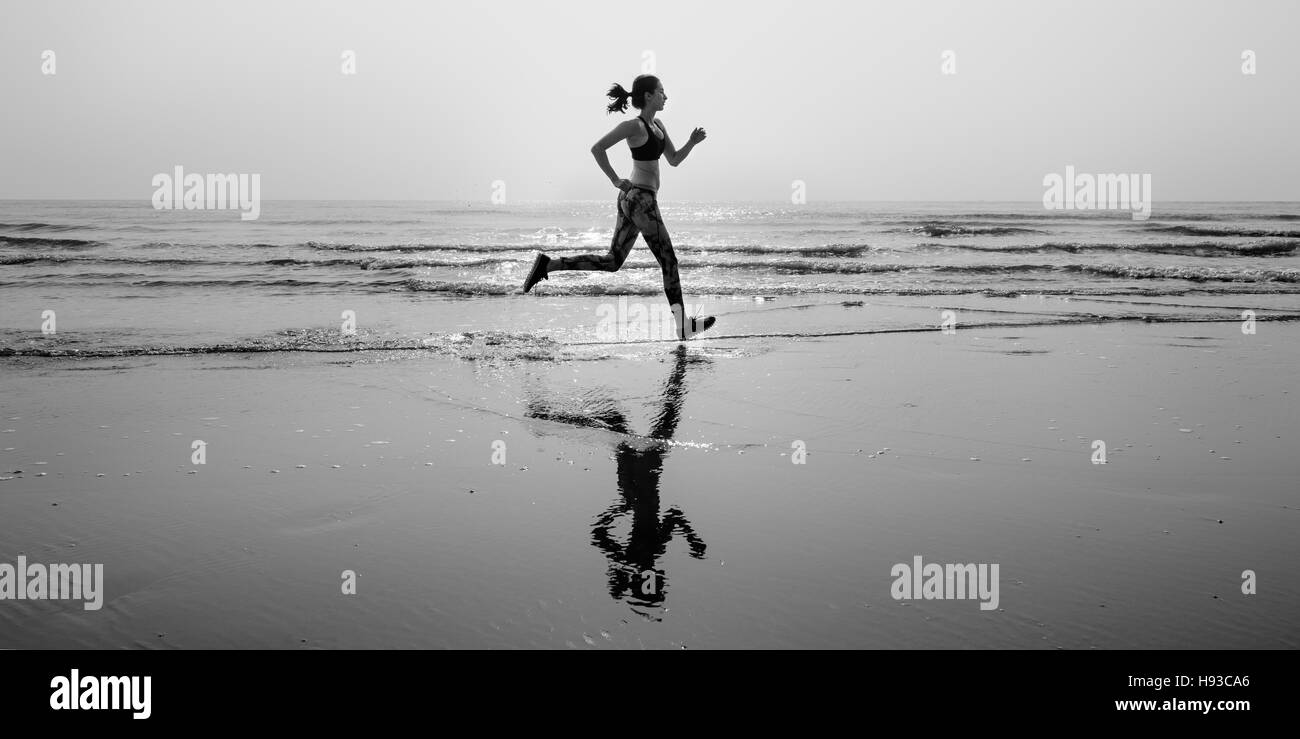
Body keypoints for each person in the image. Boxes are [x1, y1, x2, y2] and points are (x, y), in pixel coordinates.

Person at [521, 74, 716, 340]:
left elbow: (673, 160)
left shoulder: (658, 125)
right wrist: (615, 179)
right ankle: (683, 325)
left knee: (613, 262)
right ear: (648, 96)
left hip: (636, 201)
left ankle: (548, 265)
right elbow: (597, 148)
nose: (665, 97)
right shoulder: (633, 126)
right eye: (661, 92)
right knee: (668, 260)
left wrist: (692, 143)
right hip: (639, 200)